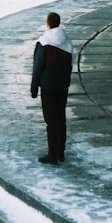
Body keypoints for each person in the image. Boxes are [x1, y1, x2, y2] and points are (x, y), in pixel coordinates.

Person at [30, 12, 73, 164]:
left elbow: (38, 67)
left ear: (48, 23)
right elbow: (69, 65)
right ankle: (61, 152)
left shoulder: (44, 42)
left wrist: (34, 87)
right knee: (61, 118)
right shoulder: (67, 41)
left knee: (51, 121)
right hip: (62, 86)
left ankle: (52, 154)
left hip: (48, 87)